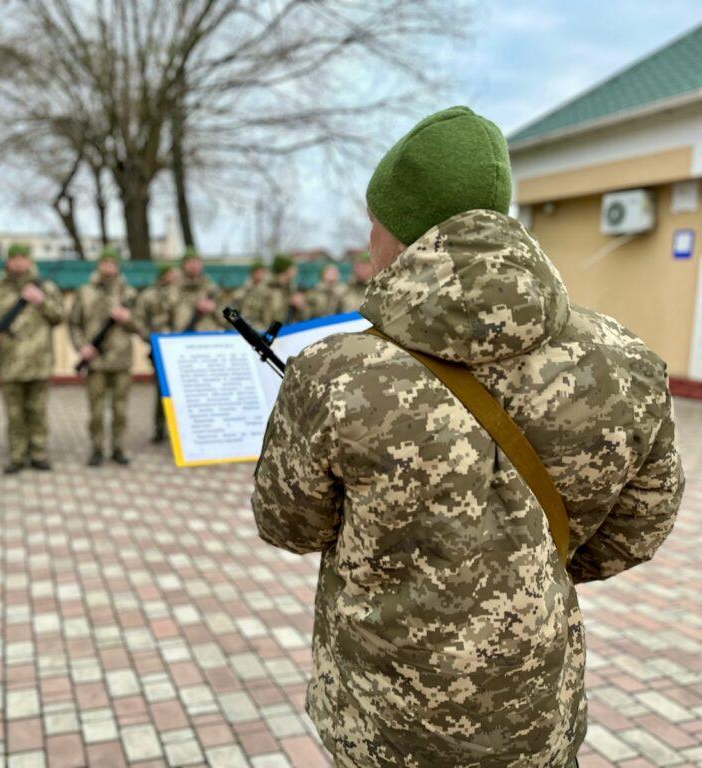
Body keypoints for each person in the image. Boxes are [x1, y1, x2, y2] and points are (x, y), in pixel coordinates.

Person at [252, 106, 684, 768]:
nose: (369, 245)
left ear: (401, 234)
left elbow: (290, 525)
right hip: (534, 711)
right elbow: (640, 526)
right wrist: (527, 565)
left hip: (382, 722)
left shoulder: (333, 373)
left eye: (374, 225)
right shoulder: (626, 362)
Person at [0, 243, 64, 473]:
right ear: (7, 261)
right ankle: (17, 455)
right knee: (14, 414)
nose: (18, 262)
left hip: (39, 361)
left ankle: (38, 453)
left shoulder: (46, 287)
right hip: (9, 361)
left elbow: (59, 317)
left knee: (38, 412)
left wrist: (40, 300)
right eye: (14, 257)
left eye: (23, 257)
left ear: (30, 260)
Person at [69, 247, 140, 466]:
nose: (108, 266)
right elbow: (74, 324)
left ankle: (117, 447)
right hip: (96, 361)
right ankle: (97, 448)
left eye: (112, 262)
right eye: (104, 261)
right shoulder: (84, 291)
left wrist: (128, 319)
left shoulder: (130, 293)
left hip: (121, 361)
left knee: (120, 411)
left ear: (118, 266)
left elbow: (142, 327)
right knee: (96, 411)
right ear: (99, 265)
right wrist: (82, 348)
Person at [134, 262, 178, 443]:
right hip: (159, 348)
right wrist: (150, 338)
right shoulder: (149, 295)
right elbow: (139, 319)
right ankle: (160, 428)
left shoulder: (180, 293)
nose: (174, 276)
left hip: (180, 348)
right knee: (162, 390)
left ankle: (181, 430)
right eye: (170, 273)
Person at [170, 247, 224, 332]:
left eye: (197, 262)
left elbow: (230, 318)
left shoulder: (212, 288)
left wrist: (214, 308)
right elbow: (162, 317)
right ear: (183, 265)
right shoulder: (173, 288)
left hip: (210, 337)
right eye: (189, 262)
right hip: (180, 337)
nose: (194, 265)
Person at [261, 253, 306, 327]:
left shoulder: (292, 288)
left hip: (288, 334)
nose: (296, 270)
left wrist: (300, 306)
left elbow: (303, 318)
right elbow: (251, 317)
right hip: (268, 334)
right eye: (293, 267)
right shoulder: (265, 288)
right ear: (285, 269)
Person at [232, 259, 270, 328]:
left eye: (261, 272)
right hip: (244, 324)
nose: (259, 275)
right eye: (257, 272)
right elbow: (235, 305)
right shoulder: (245, 288)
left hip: (261, 325)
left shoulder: (268, 289)